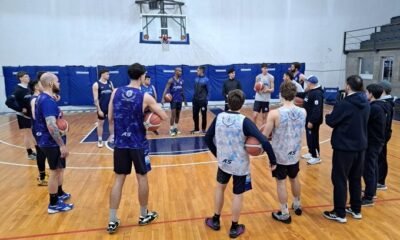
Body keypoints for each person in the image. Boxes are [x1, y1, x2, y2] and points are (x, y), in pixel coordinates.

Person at [204, 89, 277, 238]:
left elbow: (207, 138)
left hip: (224, 162)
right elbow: (263, 140)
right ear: (242, 104)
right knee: (237, 195)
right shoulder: (245, 121)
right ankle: (234, 227)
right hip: (240, 165)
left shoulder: (218, 117)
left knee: (220, 189)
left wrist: (216, 153)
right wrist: (272, 160)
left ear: (228, 102)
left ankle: (216, 220)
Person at [107, 63, 168, 234]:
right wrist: (148, 121)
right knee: (142, 178)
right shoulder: (145, 96)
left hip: (120, 143)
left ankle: (112, 220)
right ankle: (143, 215)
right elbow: (163, 116)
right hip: (138, 143)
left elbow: (110, 117)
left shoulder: (115, 92)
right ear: (142, 76)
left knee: (118, 179)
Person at [323, 75, 370, 223]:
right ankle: (356, 209)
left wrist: (328, 116)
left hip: (344, 147)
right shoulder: (367, 103)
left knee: (340, 179)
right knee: (355, 178)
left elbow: (332, 121)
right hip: (360, 146)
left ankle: (339, 212)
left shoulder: (345, 104)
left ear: (348, 86)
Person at [263, 82, 306, 224]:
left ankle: (284, 212)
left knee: (281, 183)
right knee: (294, 178)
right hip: (294, 152)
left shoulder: (274, 113)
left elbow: (265, 136)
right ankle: (298, 205)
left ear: (280, 94)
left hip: (279, 155)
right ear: (294, 95)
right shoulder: (303, 112)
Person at [35, 72, 73, 214]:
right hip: (51, 142)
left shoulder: (43, 98)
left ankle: (59, 194)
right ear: (51, 83)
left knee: (58, 170)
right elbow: (51, 125)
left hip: (47, 140)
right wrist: (61, 145)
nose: (59, 83)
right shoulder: (47, 101)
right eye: (57, 81)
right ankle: (53, 204)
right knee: (55, 172)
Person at [362, 84, 386, 206]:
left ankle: (368, 197)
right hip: (377, 141)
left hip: (373, 142)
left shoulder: (374, 108)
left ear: (371, 94)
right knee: (374, 167)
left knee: (369, 169)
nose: (365, 94)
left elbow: (364, 121)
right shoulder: (380, 106)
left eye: (366, 92)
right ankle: (371, 191)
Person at [7, 71, 36, 160]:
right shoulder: (18, 90)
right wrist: (20, 109)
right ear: (21, 78)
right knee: (28, 134)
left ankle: (36, 151)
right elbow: (8, 102)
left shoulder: (28, 88)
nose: (28, 77)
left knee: (32, 133)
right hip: (23, 116)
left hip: (30, 114)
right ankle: (30, 153)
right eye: (26, 76)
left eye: (28, 76)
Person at [299, 76, 324, 165]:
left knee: (313, 137)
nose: (306, 83)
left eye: (307, 82)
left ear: (311, 83)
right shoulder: (310, 91)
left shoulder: (317, 93)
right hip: (308, 119)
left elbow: (317, 109)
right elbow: (303, 95)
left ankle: (316, 156)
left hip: (313, 121)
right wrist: (293, 93)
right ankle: (311, 152)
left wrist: (312, 121)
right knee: (309, 137)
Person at [29, 77, 48, 186]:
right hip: (39, 129)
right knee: (41, 152)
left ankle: (42, 175)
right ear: (36, 87)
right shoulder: (34, 99)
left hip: (40, 128)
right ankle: (42, 177)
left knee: (43, 152)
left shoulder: (40, 97)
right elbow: (35, 115)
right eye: (41, 84)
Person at [377, 80, 395, 190]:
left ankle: (381, 181)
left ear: (382, 90)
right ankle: (378, 180)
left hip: (382, 135)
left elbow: (385, 122)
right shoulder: (385, 102)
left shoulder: (386, 104)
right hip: (382, 134)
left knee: (381, 158)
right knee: (379, 157)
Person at [161, 67, 187, 136]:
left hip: (180, 100)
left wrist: (184, 99)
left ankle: (175, 128)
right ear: (175, 72)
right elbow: (166, 89)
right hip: (173, 100)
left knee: (178, 115)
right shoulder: (171, 80)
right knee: (173, 115)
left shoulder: (182, 80)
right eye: (179, 71)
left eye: (181, 71)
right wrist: (163, 98)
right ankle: (171, 129)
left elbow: (182, 91)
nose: (181, 73)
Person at [92, 68, 114, 148]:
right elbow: (95, 99)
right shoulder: (96, 84)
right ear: (102, 74)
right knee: (100, 124)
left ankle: (112, 136)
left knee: (111, 122)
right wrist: (99, 110)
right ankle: (100, 139)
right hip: (102, 108)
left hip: (110, 107)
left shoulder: (110, 83)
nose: (109, 75)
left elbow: (113, 94)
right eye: (107, 74)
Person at [191, 66, 209, 134]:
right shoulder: (196, 79)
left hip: (203, 101)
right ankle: (196, 129)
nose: (196, 71)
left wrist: (206, 100)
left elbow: (209, 91)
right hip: (195, 100)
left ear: (201, 71)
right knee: (195, 115)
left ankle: (203, 129)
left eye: (198, 70)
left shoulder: (206, 80)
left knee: (204, 115)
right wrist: (193, 98)